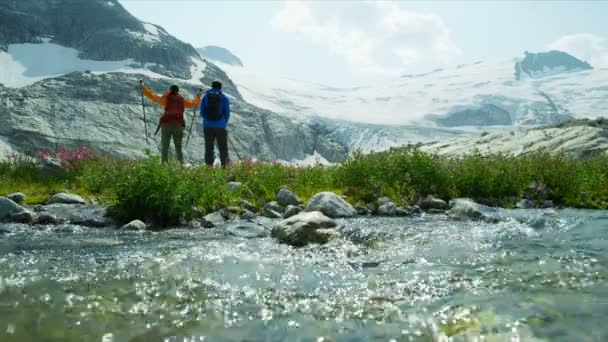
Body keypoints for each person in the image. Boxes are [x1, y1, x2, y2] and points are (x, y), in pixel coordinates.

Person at [140, 81, 201, 164]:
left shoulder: (166, 98)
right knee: (178, 146)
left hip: (166, 124)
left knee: (165, 146)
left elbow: (152, 96)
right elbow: (192, 103)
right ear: (178, 91)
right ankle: (181, 164)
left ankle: (164, 163)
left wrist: (143, 87)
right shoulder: (181, 100)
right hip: (178, 125)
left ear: (170, 90)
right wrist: (198, 96)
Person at [201, 80, 231, 167]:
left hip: (207, 126)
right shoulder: (224, 97)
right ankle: (224, 166)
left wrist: (207, 120)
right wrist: (223, 122)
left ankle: (209, 166)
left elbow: (202, 112)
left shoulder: (206, 97)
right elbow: (227, 112)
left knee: (209, 147)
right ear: (220, 87)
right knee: (223, 147)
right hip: (220, 126)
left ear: (212, 86)